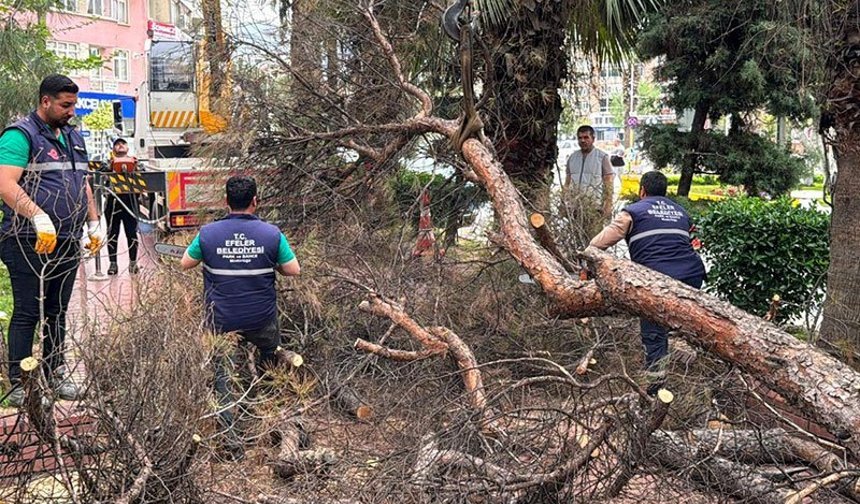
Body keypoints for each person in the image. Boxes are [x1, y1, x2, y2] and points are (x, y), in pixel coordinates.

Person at [0, 74, 105, 406]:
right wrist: (37, 215)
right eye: (65, 104)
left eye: (73, 104)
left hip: (67, 240)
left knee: (57, 310)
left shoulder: (73, 136)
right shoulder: (20, 136)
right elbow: (5, 183)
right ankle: (18, 383)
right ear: (45, 101)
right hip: (27, 239)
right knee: (28, 311)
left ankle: (55, 372)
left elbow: (81, 182)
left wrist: (93, 221)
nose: (71, 111)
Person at [180, 175, 300, 457]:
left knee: (223, 378)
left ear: (226, 202)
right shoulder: (272, 234)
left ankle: (232, 443)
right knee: (271, 364)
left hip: (221, 320)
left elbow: (185, 262)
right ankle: (272, 424)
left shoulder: (208, 234)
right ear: (255, 201)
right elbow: (293, 269)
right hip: (261, 318)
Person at [589, 171, 705, 394]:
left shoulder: (632, 212)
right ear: (665, 192)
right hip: (692, 276)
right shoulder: (681, 212)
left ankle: (655, 388)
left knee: (654, 329)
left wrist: (584, 259)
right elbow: (696, 246)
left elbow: (598, 244)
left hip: (656, 280)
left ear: (642, 191)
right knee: (687, 322)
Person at [103, 138, 140, 275]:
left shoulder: (135, 162)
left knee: (132, 234)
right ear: (113, 149)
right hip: (112, 204)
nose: (120, 145)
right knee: (112, 234)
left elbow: (145, 177)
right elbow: (99, 174)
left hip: (130, 203)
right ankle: (113, 264)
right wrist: (109, 167)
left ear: (127, 148)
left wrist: (135, 168)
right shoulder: (108, 163)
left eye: (123, 143)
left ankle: (133, 263)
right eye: (117, 144)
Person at [564, 125, 614, 218]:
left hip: (595, 208)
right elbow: (567, 182)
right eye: (580, 138)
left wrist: (608, 205)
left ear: (593, 138)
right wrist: (563, 202)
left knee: (595, 233)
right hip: (575, 208)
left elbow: (609, 184)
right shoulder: (572, 158)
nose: (583, 140)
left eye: (586, 137)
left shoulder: (602, 157)